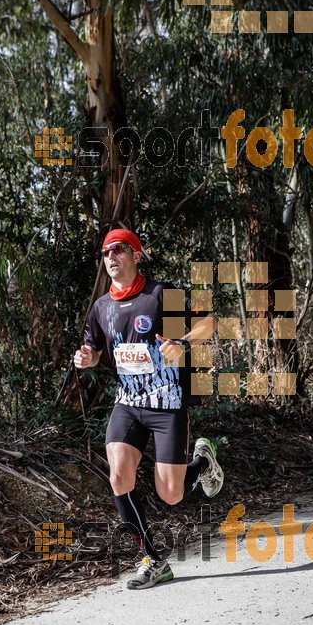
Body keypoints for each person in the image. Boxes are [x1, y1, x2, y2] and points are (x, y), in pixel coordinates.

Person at [73, 228, 224, 590]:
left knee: (170, 493)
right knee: (119, 477)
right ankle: (152, 559)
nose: (112, 258)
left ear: (136, 255)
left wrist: (183, 344)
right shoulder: (101, 307)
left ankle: (203, 461)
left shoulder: (159, 295)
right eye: (107, 252)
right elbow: (92, 348)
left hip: (167, 405)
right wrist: (88, 357)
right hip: (128, 404)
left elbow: (211, 321)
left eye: (120, 250)